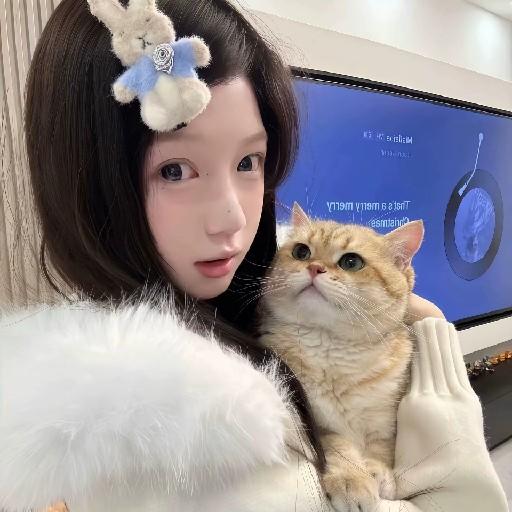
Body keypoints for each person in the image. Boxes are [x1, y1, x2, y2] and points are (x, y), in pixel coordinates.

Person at [0, 0, 508, 511]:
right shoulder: (188, 438)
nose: (232, 219)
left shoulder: (227, 313)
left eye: (249, 161)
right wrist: (434, 334)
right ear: (88, 184)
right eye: (174, 170)